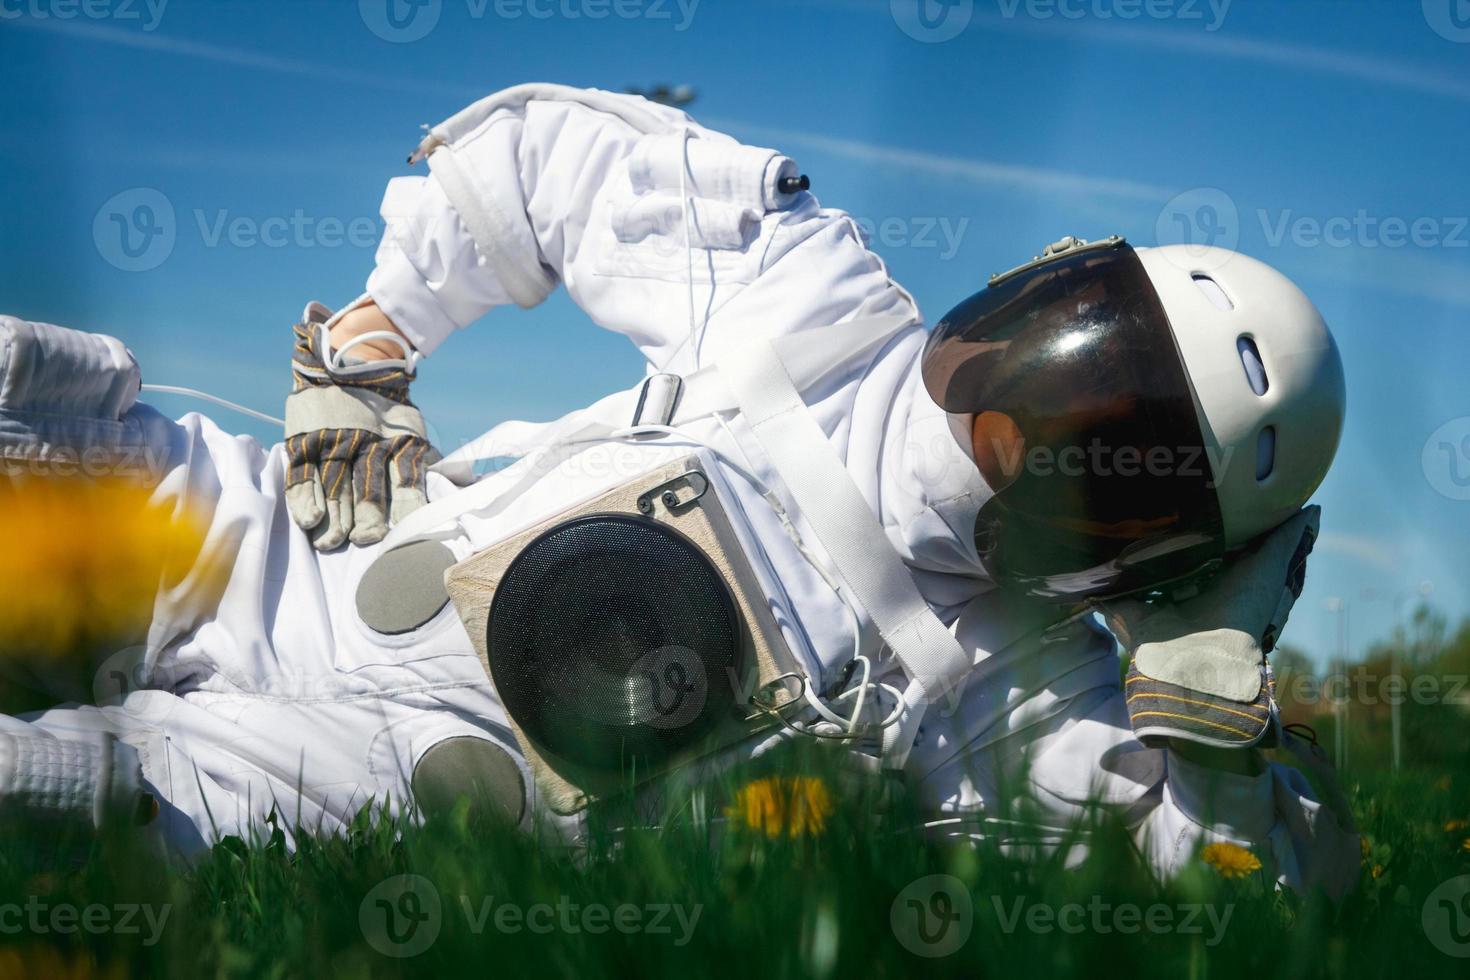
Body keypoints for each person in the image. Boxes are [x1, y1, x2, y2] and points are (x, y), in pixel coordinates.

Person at [0, 83, 1355, 894]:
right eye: (1061, 375)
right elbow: (540, 162)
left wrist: (1202, 698)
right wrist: (372, 336)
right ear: (1035, 295)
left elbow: (1249, 899)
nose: (1019, 436)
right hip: (311, 544)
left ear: (1159, 556)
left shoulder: (1024, 690)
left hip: (372, 787)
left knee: (62, 802)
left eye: (1098, 460)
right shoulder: (810, 307)